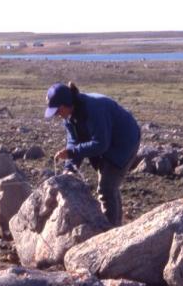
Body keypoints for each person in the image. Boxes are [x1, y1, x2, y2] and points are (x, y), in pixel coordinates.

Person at [45, 82, 141, 226]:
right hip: (106, 142)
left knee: (106, 188)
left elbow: (100, 144)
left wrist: (72, 153)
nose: (57, 115)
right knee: (109, 184)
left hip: (124, 142)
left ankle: (110, 231)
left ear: (66, 104)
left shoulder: (94, 109)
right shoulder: (69, 117)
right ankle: (116, 223)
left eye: (57, 111)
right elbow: (73, 140)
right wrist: (69, 168)